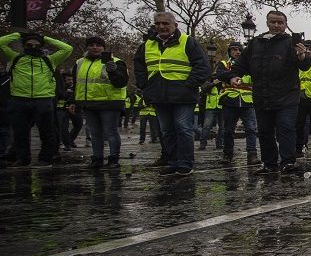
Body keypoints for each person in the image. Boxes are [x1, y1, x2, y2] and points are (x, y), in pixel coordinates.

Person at [224, 9, 311, 175]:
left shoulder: (291, 43)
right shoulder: (256, 43)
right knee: (264, 131)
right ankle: (269, 163)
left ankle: (287, 162)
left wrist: (302, 56)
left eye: (280, 22)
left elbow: (305, 65)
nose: (277, 25)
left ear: (286, 25)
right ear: (267, 23)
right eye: (273, 22)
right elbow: (241, 63)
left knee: (285, 128)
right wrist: (234, 76)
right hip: (262, 95)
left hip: (287, 96)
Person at [134, 12, 211, 176]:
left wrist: (188, 86)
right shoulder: (147, 45)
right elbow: (139, 68)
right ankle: (174, 162)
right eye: (158, 24)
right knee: (167, 130)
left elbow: (203, 67)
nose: (161, 27)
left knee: (183, 128)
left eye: (165, 24)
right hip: (159, 95)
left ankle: (185, 164)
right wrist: (146, 87)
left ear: (175, 25)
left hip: (183, 96)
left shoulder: (188, 42)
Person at [0, 31, 73, 166]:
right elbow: (1, 42)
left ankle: (45, 158)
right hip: (19, 99)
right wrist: (18, 34)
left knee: (47, 132)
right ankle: (23, 159)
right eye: (29, 45)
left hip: (43, 99)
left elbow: (67, 48)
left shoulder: (50, 60)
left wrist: (45, 37)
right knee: (20, 132)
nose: (33, 47)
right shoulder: (15, 57)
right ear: (23, 46)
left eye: (37, 45)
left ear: (41, 47)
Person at [72, 36, 129, 168]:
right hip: (89, 103)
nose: (95, 47)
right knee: (95, 133)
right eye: (91, 45)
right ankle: (97, 158)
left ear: (104, 48)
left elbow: (121, 83)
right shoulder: (80, 62)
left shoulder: (117, 61)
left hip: (109, 103)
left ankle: (113, 158)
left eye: (98, 45)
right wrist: (74, 101)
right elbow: (77, 84)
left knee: (111, 131)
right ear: (87, 47)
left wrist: (113, 71)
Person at [214, 42, 259, 165]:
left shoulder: (249, 64)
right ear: (229, 51)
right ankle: (227, 154)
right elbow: (219, 75)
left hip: (247, 101)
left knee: (251, 129)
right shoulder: (224, 64)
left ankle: (252, 154)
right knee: (228, 130)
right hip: (230, 100)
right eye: (234, 50)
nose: (237, 52)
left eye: (239, 50)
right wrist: (231, 76)